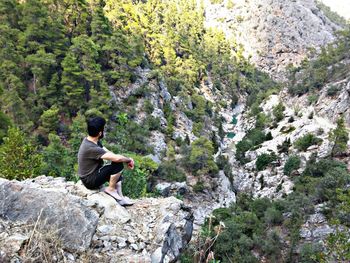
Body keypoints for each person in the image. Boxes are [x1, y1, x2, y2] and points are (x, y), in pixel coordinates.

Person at [77, 116, 135, 206]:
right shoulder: (91, 147)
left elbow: (108, 153)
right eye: (103, 129)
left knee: (116, 171)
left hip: (92, 174)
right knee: (118, 165)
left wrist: (121, 158)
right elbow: (117, 159)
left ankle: (121, 198)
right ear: (100, 133)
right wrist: (128, 160)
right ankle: (110, 189)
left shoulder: (92, 140)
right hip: (89, 180)